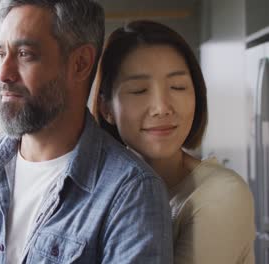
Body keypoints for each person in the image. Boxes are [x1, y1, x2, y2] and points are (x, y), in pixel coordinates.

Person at [0, 2, 173, 263]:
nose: (3, 73)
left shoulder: (130, 193)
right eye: (1, 54)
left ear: (80, 64)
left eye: (25, 54)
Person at [92, 20, 255, 263]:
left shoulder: (219, 194)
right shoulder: (103, 189)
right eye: (139, 90)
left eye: (178, 87)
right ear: (107, 109)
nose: (161, 108)